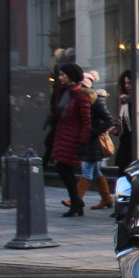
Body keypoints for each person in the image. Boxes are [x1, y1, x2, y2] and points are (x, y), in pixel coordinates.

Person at [64, 70, 115, 210]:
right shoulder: (81, 100)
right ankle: (107, 199)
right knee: (96, 171)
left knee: (87, 169)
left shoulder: (96, 101)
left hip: (93, 142)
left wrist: (92, 133)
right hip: (86, 141)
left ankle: (75, 199)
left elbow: (108, 120)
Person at [49, 63, 91, 216]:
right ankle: (77, 202)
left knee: (63, 168)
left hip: (73, 139)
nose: (60, 78)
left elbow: (86, 122)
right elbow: (59, 114)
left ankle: (76, 202)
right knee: (64, 169)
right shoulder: (64, 93)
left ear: (71, 76)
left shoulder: (81, 96)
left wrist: (83, 143)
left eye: (62, 75)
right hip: (63, 136)